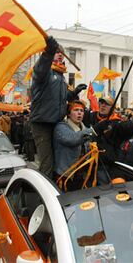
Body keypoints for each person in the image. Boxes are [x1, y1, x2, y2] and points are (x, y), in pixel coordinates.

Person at [29, 36, 87, 177]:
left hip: (56, 123)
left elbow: (60, 99)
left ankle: (59, 186)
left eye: (61, 52)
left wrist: (73, 93)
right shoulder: (45, 72)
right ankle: (45, 194)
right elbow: (39, 69)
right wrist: (48, 52)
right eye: (56, 51)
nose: (60, 54)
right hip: (42, 123)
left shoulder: (60, 75)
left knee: (59, 159)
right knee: (47, 163)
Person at [53, 100, 93, 190]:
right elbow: (73, 139)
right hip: (65, 175)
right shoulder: (61, 127)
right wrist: (94, 131)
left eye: (82, 111)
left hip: (82, 175)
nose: (79, 113)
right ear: (69, 113)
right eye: (76, 110)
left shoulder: (85, 129)